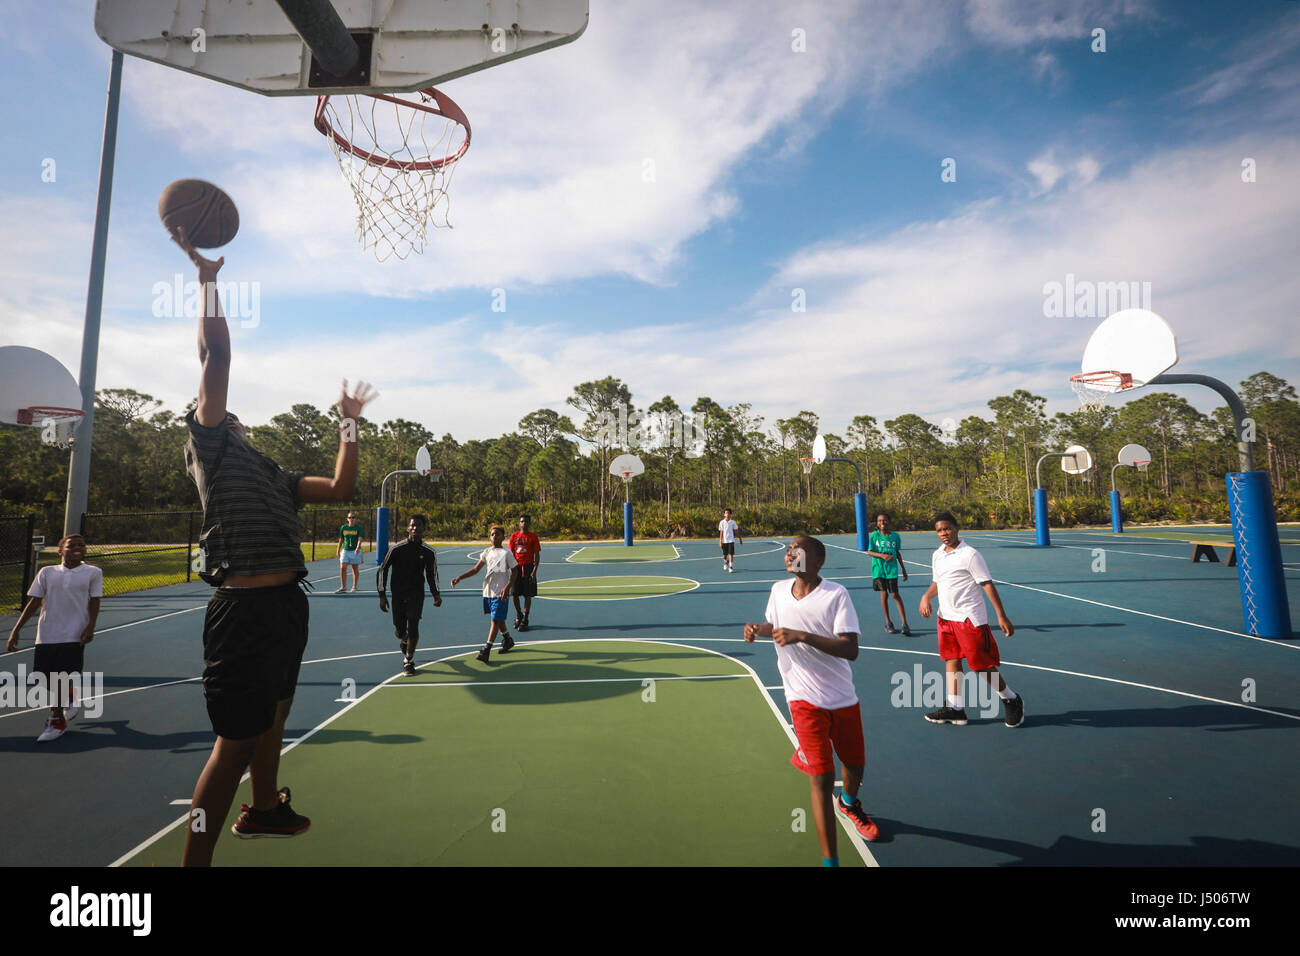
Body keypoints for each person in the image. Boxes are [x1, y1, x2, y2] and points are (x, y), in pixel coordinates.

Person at [174, 227, 376, 866]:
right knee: (231, 746)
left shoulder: (272, 472)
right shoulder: (210, 446)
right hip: (245, 613)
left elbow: (343, 485)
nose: (227, 410)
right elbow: (216, 358)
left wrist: (348, 421)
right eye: (215, 405)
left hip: (289, 604)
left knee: (274, 719)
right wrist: (208, 282)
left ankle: (264, 809)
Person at [744, 535, 880, 866]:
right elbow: (775, 625)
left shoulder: (836, 594)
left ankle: (848, 802)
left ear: (818, 562)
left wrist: (802, 636)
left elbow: (851, 649)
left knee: (855, 763)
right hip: (802, 699)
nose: (790, 554)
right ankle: (830, 862)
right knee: (820, 777)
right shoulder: (778, 591)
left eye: (799, 550)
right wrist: (758, 629)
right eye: (789, 550)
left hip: (841, 697)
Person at [918, 512, 1023, 727]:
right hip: (945, 618)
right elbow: (938, 581)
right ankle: (955, 708)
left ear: (956, 528)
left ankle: (1010, 698)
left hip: (969, 619)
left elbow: (987, 584)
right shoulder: (937, 554)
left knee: (981, 665)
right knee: (952, 661)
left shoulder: (970, 555)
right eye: (939, 530)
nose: (944, 533)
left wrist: (1001, 615)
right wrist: (926, 596)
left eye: (947, 528)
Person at [7, 534, 102, 742]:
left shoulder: (93, 572)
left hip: (74, 634)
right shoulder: (47, 572)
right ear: (60, 550)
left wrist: (90, 627)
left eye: (82, 545)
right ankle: (69, 697)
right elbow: (34, 603)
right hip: (47, 633)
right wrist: (16, 629)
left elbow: (95, 601)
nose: (78, 548)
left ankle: (56, 719)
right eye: (72, 545)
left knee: (61, 676)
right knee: (45, 679)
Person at [377, 514, 442, 675]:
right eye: (412, 525)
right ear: (408, 528)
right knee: (399, 629)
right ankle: (404, 639)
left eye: (418, 525)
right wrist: (382, 595)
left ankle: (409, 660)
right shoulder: (396, 549)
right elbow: (383, 570)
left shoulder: (428, 552)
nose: (415, 528)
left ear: (423, 528)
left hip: (416, 594)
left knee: (413, 625)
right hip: (398, 594)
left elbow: (432, 574)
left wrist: (436, 594)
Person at [452, 525, 520, 663]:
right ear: (490, 537)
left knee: (495, 620)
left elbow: (515, 571)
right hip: (488, 591)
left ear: (503, 537)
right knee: (499, 618)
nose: (494, 536)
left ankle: (486, 649)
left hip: (501, 592)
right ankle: (507, 639)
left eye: (497, 534)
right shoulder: (487, 552)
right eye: (492, 534)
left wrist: (507, 588)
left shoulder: (507, 553)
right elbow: (476, 569)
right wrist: (460, 577)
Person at [866, 512, 910, 635]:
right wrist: (882, 555)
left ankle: (905, 624)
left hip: (892, 570)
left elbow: (897, 553)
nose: (882, 523)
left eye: (884, 520)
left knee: (895, 594)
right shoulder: (874, 536)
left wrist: (904, 569)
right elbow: (869, 552)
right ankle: (888, 622)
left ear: (889, 521)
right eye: (879, 521)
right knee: (884, 594)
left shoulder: (895, 536)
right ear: (877, 523)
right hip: (879, 570)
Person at [509, 513, 541, 631]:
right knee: (515, 594)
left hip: (528, 568)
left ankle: (525, 618)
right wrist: (511, 567)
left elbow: (537, 555)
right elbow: (510, 553)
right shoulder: (514, 536)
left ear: (529, 523)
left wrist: (534, 571)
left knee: (528, 595)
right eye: (522, 521)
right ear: (519, 523)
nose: (524, 523)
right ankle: (519, 615)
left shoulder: (533, 537)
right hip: (516, 567)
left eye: (526, 521)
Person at [336, 511, 365, 593]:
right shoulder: (343, 528)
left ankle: (354, 586)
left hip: (355, 551)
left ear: (355, 519)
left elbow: (360, 538)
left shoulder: (359, 528)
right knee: (342, 567)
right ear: (347, 519)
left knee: (354, 568)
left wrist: (357, 547)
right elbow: (341, 540)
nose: (351, 519)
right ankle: (343, 587)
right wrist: (338, 550)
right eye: (350, 517)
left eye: (353, 517)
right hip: (345, 550)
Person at [718, 507, 742, 573]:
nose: (727, 514)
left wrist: (740, 539)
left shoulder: (733, 522)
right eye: (726, 513)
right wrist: (720, 541)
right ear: (724, 514)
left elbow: (736, 531)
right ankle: (725, 562)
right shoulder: (722, 522)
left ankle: (731, 567)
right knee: (725, 554)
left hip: (731, 540)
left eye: (728, 513)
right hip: (724, 541)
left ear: (731, 514)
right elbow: (721, 532)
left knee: (731, 554)